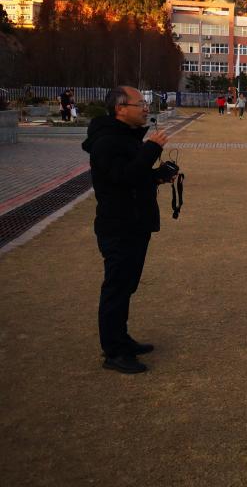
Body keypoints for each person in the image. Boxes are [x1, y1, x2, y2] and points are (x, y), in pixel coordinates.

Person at [81, 85, 171, 374]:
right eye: (140, 104)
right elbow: (122, 177)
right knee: (117, 288)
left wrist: (159, 176)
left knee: (127, 285)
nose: (146, 108)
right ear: (120, 109)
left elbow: (136, 177)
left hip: (135, 223)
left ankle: (121, 338)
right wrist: (152, 149)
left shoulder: (126, 137)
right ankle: (114, 351)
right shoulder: (106, 141)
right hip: (118, 226)